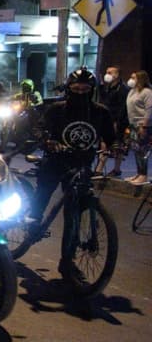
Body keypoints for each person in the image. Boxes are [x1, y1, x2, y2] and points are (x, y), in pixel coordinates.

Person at [26, 68, 116, 279]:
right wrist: (49, 142)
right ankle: (32, 221)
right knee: (43, 193)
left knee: (74, 214)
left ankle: (67, 261)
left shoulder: (100, 112)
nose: (80, 93)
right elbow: (39, 129)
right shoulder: (56, 109)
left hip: (82, 166)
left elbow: (111, 136)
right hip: (56, 162)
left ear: (92, 90)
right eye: (76, 89)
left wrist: (116, 145)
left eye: (85, 89)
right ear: (69, 89)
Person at [95, 66, 129, 177]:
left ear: (117, 75)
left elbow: (122, 108)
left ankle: (116, 169)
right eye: (106, 72)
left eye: (110, 72)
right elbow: (104, 101)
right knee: (103, 144)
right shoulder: (108, 87)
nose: (107, 74)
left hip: (117, 122)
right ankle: (99, 169)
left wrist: (117, 123)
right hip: (106, 119)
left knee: (117, 145)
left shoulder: (123, 89)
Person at [124, 70, 152, 184]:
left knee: (142, 150)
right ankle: (139, 173)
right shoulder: (132, 91)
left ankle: (144, 175)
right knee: (136, 150)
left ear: (140, 79)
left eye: (133, 78)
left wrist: (144, 125)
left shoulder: (147, 92)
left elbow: (149, 109)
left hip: (143, 125)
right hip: (133, 124)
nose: (131, 80)